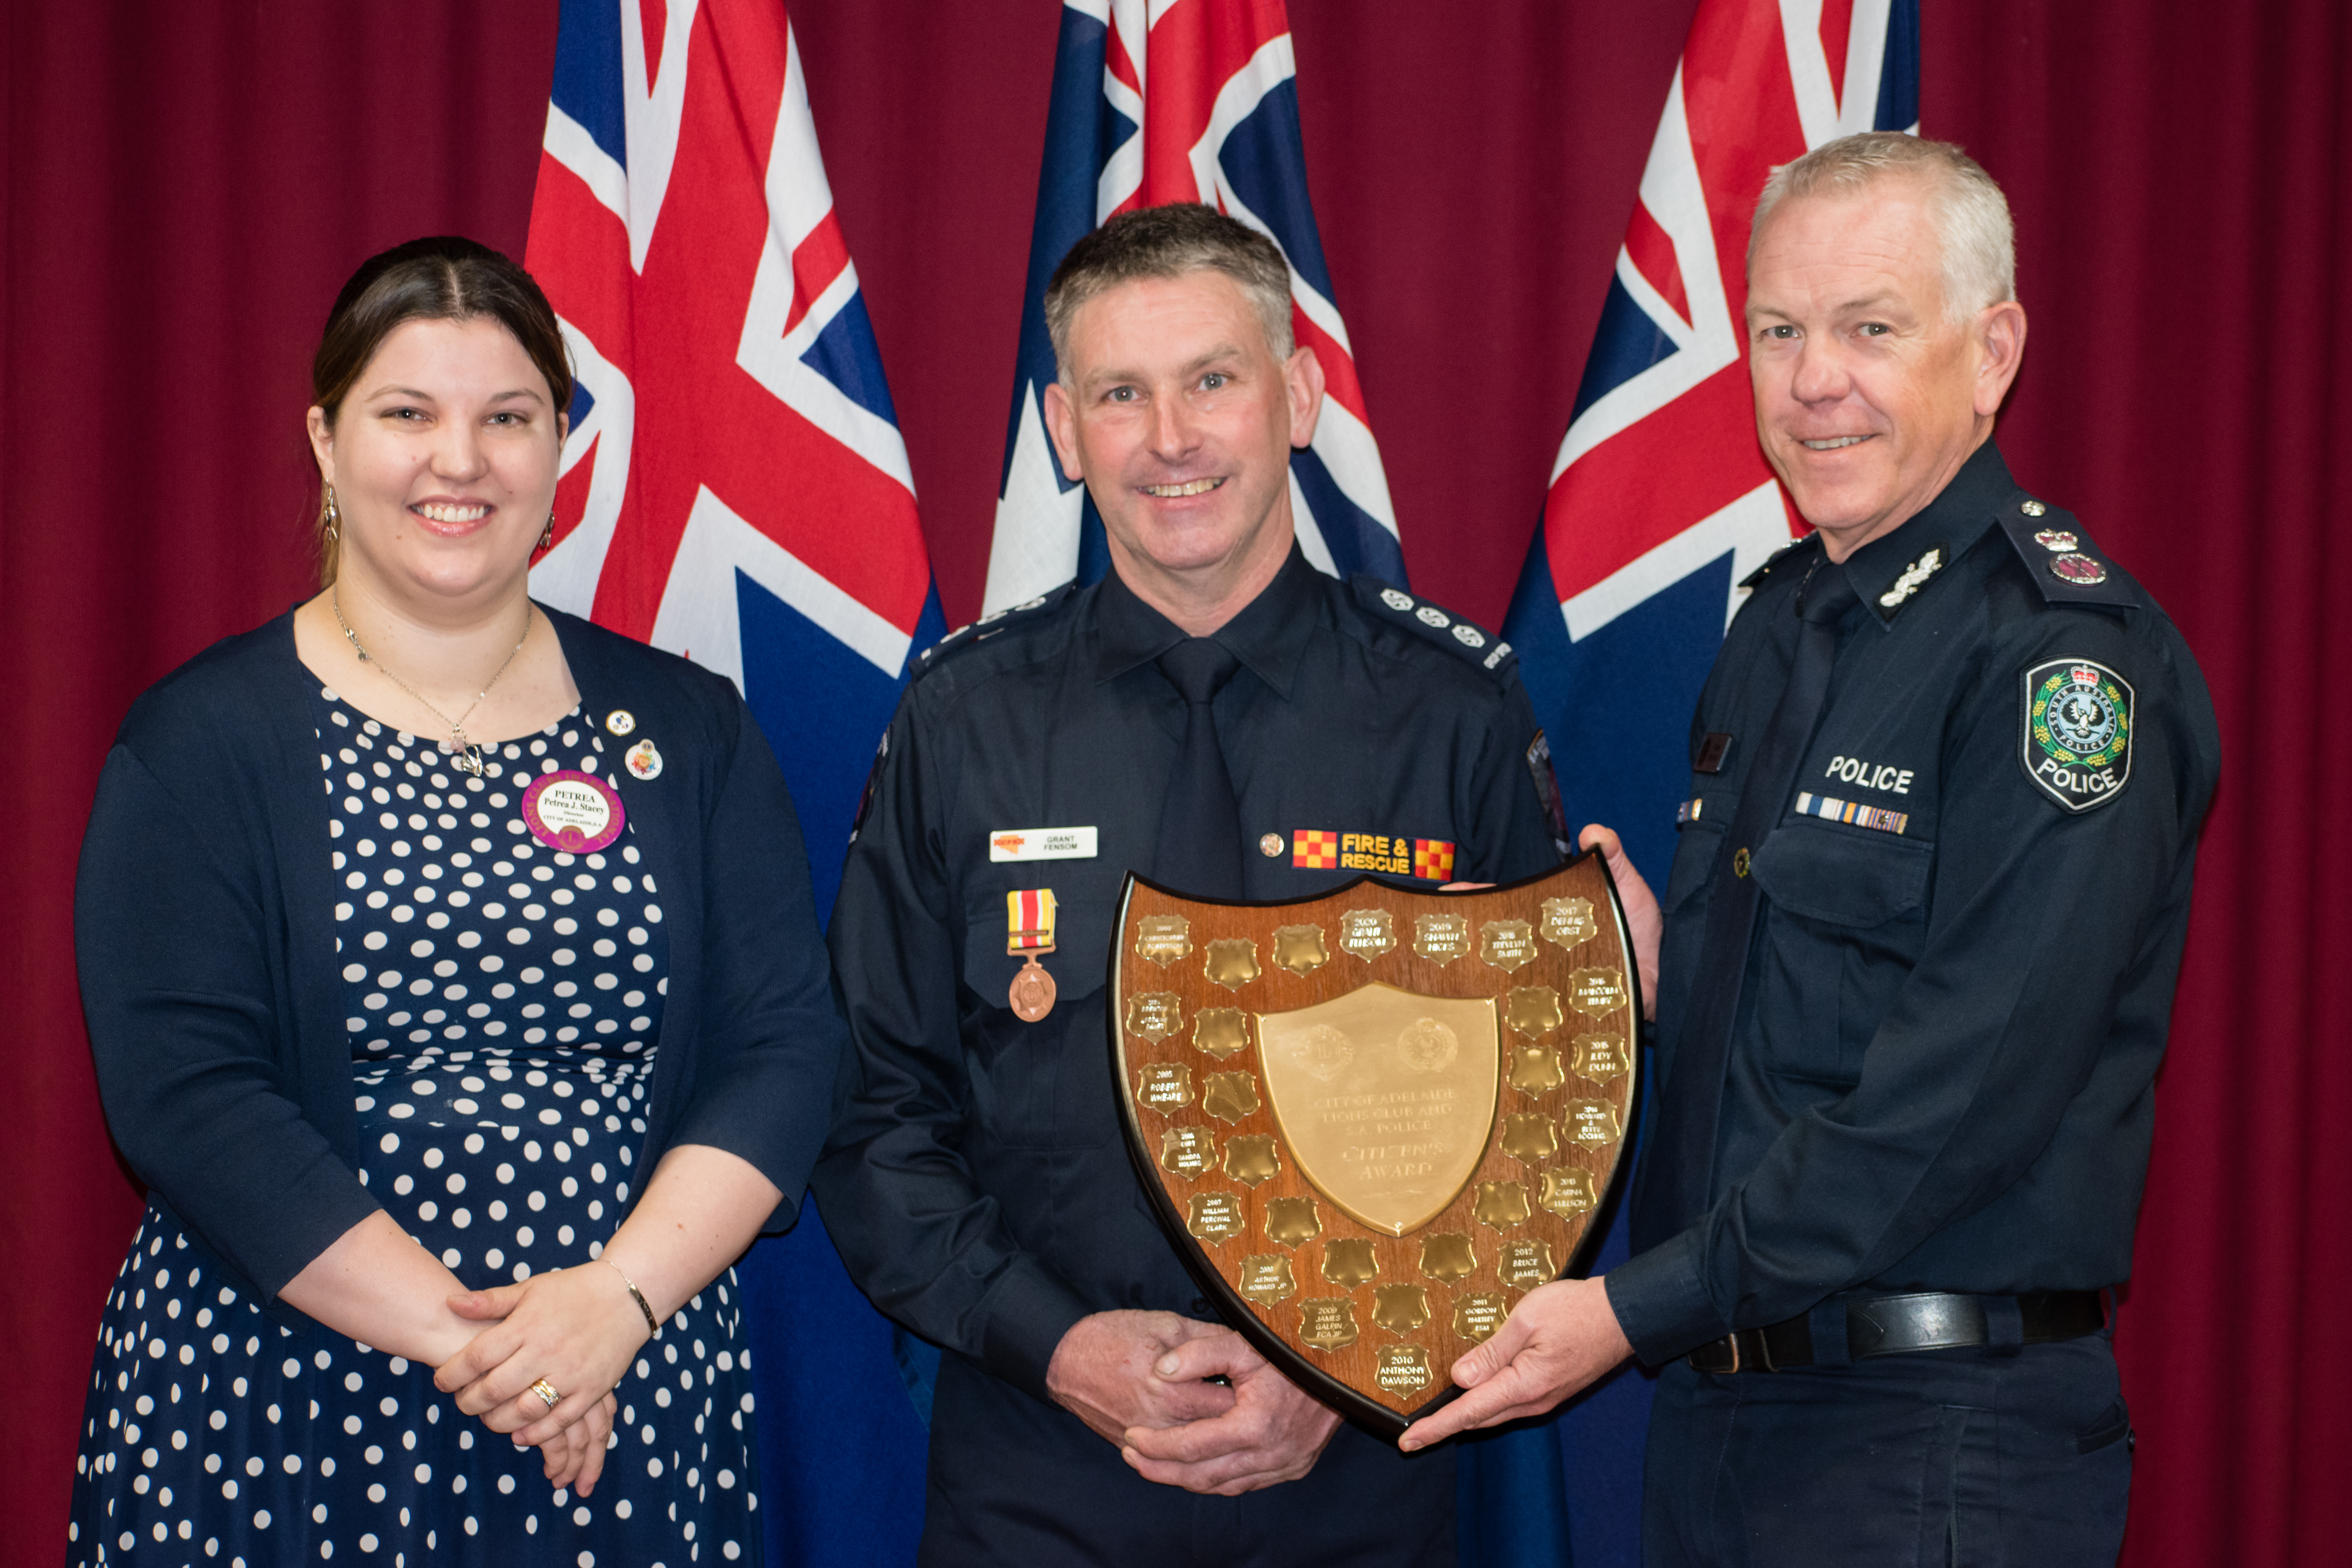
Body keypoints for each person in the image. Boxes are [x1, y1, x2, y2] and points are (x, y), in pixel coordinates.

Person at [1401, 133, 2221, 1566]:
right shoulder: (1782, 626)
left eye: (1869, 328)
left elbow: (1956, 1102)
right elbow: (1825, 1004)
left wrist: (1628, 1310)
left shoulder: (2061, 668)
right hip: (1729, 1422)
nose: (1810, 380)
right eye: (1777, 330)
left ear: (1991, 351)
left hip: (1937, 1441)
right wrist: (1666, 987)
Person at [814, 203, 1578, 1566]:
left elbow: (1538, 1116)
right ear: (1063, 429)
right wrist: (1055, 1347)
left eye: (1213, 380)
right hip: (1038, 1466)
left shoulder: (1449, 715)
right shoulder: (963, 719)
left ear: (1298, 397)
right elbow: (871, 1108)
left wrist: (1346, 1366)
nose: (1170, 438)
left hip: (1359, 1473)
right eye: (1121, 393)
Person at [68, 237, 845, 1563]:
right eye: (407, 414)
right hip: (289, 1393)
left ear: (559, 445)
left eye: (506, 417)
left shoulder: (687, 727)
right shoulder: (201, 741)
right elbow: (186, 1095)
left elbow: (782, 1049)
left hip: (625, 1377)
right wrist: (492, 1356)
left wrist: (610, 1308)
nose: (460, 461)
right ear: (324, 440)